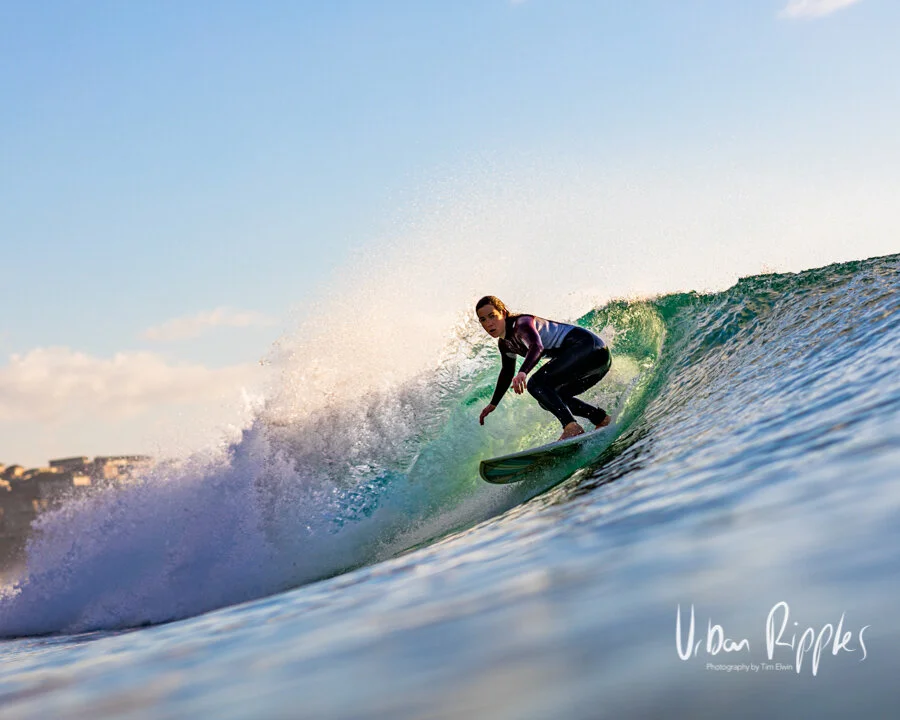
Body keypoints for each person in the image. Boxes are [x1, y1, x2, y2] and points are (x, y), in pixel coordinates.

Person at [476, 295, 612, 441]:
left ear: (503, 313)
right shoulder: (505, 344)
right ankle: (601, 419)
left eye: (492, 316)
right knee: (549, 399)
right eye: (483, 319)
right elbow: (507, 372)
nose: (489, 323)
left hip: (589, 347)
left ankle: (571, 427)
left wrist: (523, 372)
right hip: (593, 359)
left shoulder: (522, 324)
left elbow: (536, 346)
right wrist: (493, 403)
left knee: (536, 384)